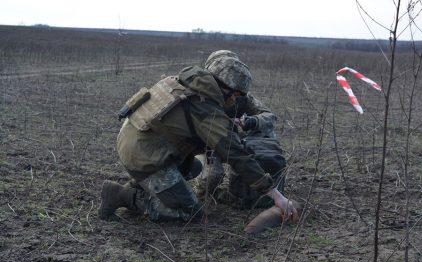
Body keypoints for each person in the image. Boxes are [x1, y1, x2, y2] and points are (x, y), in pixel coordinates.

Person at [98, 54, 297, 223]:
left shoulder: (184, 83)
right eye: (236, 95)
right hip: (144, 155)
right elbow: (235, 153)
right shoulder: (205, 108)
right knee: (190, 213)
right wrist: (275, 194)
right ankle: (123, 195)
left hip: (134, 139)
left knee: (195, 167)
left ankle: (146, 184)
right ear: (225, 87)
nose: (236, 100)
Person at [196, 50, 285, 209]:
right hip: (209, 143)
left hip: (234, 143)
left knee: (265, 134)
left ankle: (244, 191)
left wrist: (250, 122)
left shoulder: (241, 95)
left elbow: (270, 116)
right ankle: (203, 199)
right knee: (211, 175)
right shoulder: (201, 96)